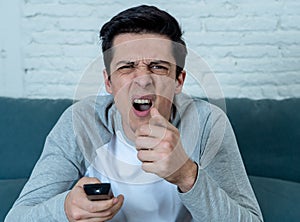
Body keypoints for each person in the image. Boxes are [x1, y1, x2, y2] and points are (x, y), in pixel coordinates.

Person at [5, 5, 263, 222]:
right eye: (127, 67)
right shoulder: (80, 122)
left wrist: (187, 174)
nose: (143, 80)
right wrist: (64, 209)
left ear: (178, 81)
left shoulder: (208, 123)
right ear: (108, 82)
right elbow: (17, 217)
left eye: (158, 66)